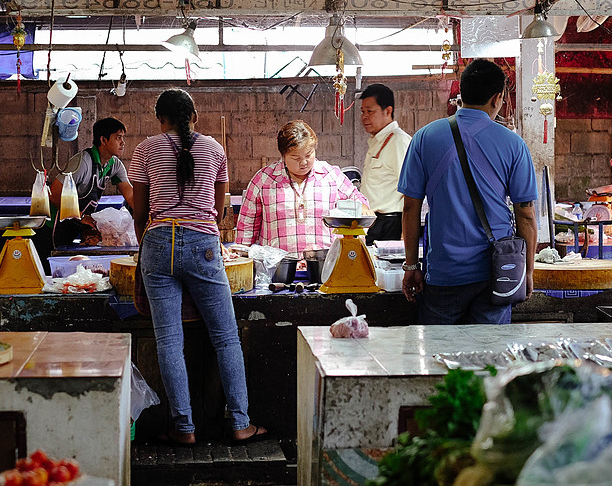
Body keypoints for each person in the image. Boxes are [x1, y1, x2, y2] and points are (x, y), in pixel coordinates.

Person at [128, 89, 265, 446]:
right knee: (226, 338)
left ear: (161, 119)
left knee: (169, 342)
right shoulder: (215, 149)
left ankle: (184, 428)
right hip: (203, 245)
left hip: (158, 241)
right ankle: (239, 423)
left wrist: (150, 243)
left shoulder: (145, 149)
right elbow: (218, 214)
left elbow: (140, 213)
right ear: (195, 117)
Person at [398, 59, 538, 325]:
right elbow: (526, 215)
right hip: (495, 274)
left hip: (443, 275)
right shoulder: (513, 145)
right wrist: (527, 272)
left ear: (462, 92)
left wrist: (412, 266)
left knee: (439, 358)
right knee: (489, 361)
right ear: (497, 98)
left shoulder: (425, 137)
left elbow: (410, 208)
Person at [236, 120, 369, 255]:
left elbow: (357, 199)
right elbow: (247, 226)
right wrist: (242, 257)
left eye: (308, 154)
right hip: (278, 268)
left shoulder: (331, 175)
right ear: (283, 156)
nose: (304, 162)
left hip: (326, 266)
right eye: (295, 158)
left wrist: (362, 207)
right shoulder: (264, 180)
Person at [49, 117, 134, 245]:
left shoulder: (115, 165)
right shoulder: (82, 163)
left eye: (123, 137)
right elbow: (54, 193)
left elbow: (131, 196)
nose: (123, 142)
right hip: (53, 226)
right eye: (118, 137)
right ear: (103, 140)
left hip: (74, 224)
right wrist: (81, 217)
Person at [359, 84, 412, 245]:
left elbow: (410, 190)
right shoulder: (377, 141)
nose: (364, 117)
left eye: (370, 111)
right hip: (374, 223)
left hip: (391, 224)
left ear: (387, 111)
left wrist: (406, 233)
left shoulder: (398, 141)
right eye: (362, 112)